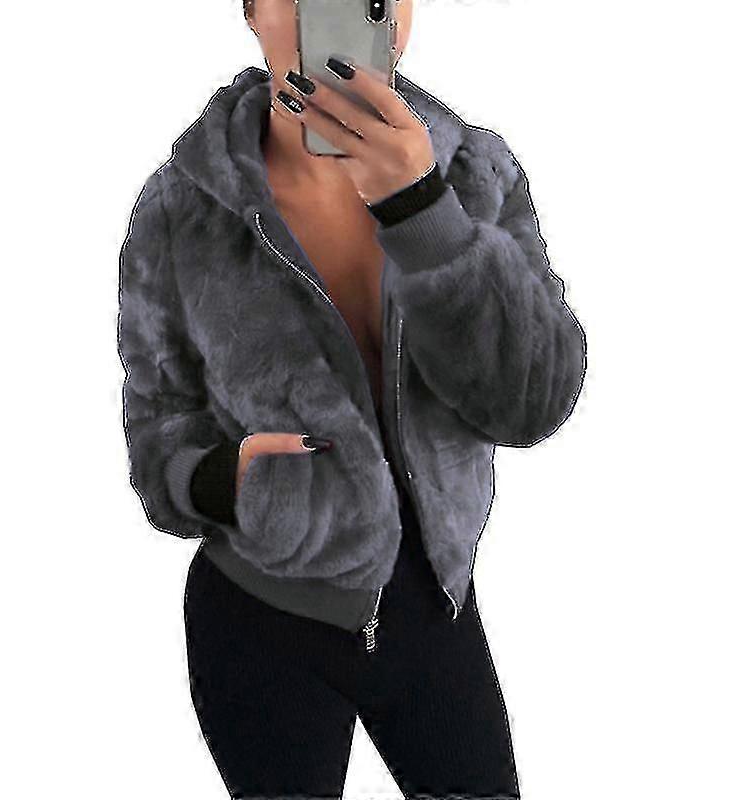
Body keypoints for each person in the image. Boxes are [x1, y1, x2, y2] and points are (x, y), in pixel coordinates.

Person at [117, 0, 587, 796]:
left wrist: (423, 213)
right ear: (251, 9)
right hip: (260, 622)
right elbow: (156, 426)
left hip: (436, 613)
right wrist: (222, 481)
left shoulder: (474, 173)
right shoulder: (178, 211)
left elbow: (534, 403)